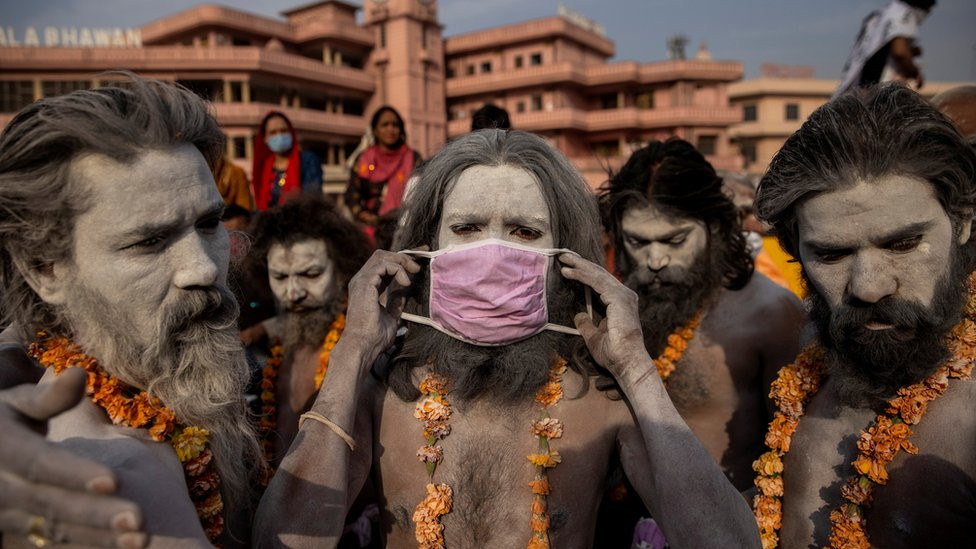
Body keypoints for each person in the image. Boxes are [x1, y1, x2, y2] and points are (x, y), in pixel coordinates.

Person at [255, 130, 759, 547]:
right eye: (467, 227)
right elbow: (287, 540)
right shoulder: (382, 389)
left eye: (523, 231)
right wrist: (353, 351)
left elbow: (726, 543)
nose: (492, 253)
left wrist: (635, 369)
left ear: (568, 259)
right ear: (425, 248)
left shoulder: (602, 399)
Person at [0, 75, 262, 547]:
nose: (202, 268)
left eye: (209, 224)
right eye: (150, 241)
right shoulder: (114, 480)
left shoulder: (165, 379)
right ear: (46, 270)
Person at [752, 83, 976, 548]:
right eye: (832, 255)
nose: (869, 286)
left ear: (963, 222)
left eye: (903, 244)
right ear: (796, 252)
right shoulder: (809, 369)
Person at [599, 140, 804, 544]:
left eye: (675, 241)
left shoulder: (771, 313)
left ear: (715, 227)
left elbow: (796, 462)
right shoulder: (614, 306)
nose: (654, 261)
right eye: (638, 243)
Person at [242, 195, 371, 466]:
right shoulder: (282, 347)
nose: (293, 293)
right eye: (279, 277)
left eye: (311, 274)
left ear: (342, 270)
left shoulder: (365, 347)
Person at [834, 0, 936, 98]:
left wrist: (912, 51)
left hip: (855, 88)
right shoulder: (904, 14)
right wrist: (914, 72)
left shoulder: (883, 13)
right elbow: (899, 52)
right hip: (873, 93)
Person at [345, 106, 421, 229]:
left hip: (406, 227)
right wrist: (363, 215)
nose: (390, 129)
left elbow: (421, 192)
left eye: (395, 125)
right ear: (375, 130)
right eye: (384, 125)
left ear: (401, 130)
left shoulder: (413, 158)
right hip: (371, 227)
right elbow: (351, 193)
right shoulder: (364, 159)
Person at [251, 111, 323, 211]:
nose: (279, 136)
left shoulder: (307, 161)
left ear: (291, 133)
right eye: (273, 132)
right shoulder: (264, 167)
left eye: (283, 130)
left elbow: (312, 198)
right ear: (265, 139)